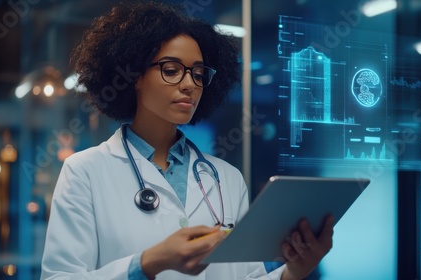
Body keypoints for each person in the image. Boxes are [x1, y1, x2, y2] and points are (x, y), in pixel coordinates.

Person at [40, 1, 334, 279]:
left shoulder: (227, 179)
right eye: (171, 70)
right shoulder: (85, 172)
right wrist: (148, 262)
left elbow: (247, 275)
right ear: (135, 76)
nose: (189, 84)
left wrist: (293, 272)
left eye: (197, 73)